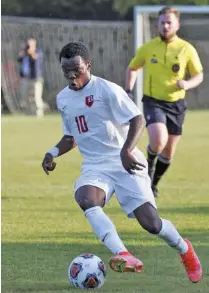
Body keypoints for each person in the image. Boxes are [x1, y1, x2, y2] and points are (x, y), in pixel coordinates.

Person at [42, 42, 202, 283]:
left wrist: (126, 150)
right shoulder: (63, 99)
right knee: (86, 198)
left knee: (151, 223)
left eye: (77, 69)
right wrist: (52, 152)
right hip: (95, 166)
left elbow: (138, 119)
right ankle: (123, 254)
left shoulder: (106, 89)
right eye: (66, 70)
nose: (72, 75)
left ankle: (184, 249)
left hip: (125, 161)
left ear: (88, 65)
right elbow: (72, 136)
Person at [125, 6, 203, 197]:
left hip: (176, 104)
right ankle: (148, 166)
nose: (165, 26)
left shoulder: (186, 49)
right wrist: (128, 90)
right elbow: (132, 68)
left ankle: (153, 183)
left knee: (168, 152)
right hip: (153, 101)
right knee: (159, 139)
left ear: (177, 25)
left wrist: (187, 83)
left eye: (169, 22)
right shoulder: (148, 47)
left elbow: (198, 75)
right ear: (157, 24)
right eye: (162, 23)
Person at [18, 38, 45, 117]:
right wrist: (23, 51)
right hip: (26, 78)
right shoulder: (25, 53)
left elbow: (35, 58)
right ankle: (28, 113)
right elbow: (19, 59)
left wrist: (31, 50)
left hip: (36, 79)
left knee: (36, 97)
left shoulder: (38, 52)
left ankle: (39, 114)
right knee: (26, 97)